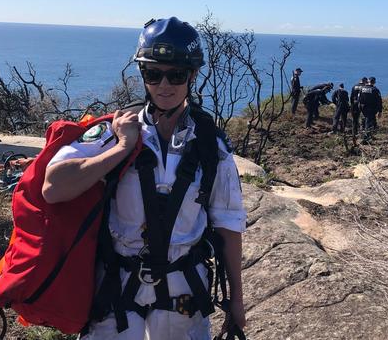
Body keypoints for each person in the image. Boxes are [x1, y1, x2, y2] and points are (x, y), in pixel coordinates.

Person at [42, 17, 246, 339]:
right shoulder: (114, 130)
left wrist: (236, 298)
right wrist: (122, 148)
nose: (164, 86)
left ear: (192, 74)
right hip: (117, 281)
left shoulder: (211, 146)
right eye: (153, 73)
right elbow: (53, 188)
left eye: (176, 75)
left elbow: (228, 223)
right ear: (143, 74)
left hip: (184, 284)